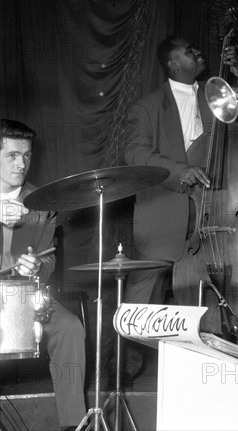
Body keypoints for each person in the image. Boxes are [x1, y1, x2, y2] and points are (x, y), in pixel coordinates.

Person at [121, 35, 238, 381]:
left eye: (197, 48)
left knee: (201, 301)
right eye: (189, 50)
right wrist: (181, 171)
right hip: (163, 216)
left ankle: (204, 372)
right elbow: (134, 155)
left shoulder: (214, 97)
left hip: (213, 214)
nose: (199, 51)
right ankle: (126, 378)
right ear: (171, 62)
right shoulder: (147, 107)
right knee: (141, 311)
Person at [0, 119, 87, 431]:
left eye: (26, 155)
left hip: (27, 298)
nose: (21, 163)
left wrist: (39, 267)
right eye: (12, 155)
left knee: (70, 328)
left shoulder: (41, 202)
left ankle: (73, 423)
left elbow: (48, 259)